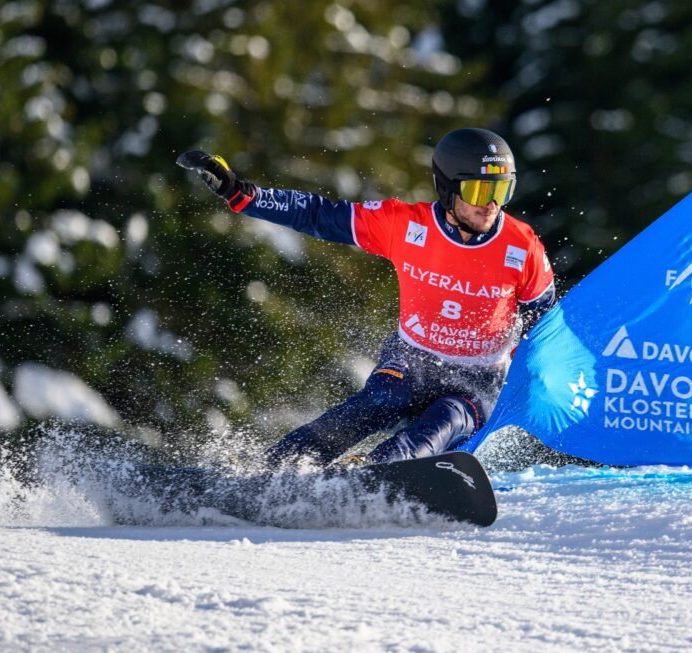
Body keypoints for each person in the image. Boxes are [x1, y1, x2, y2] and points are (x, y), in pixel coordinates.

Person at [178, 128, 556, 467]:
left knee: (444, 422)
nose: (490, 204)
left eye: (501, 190)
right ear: (448, 188)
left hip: (476, 379)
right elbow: (320, 214)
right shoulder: (405, 224)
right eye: (478, 191)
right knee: (376, 403)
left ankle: (370, 473)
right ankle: (276, 469)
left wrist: (535, 379)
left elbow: (545, 322)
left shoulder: (522, 248)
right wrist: (242, 195)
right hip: (412, 359)